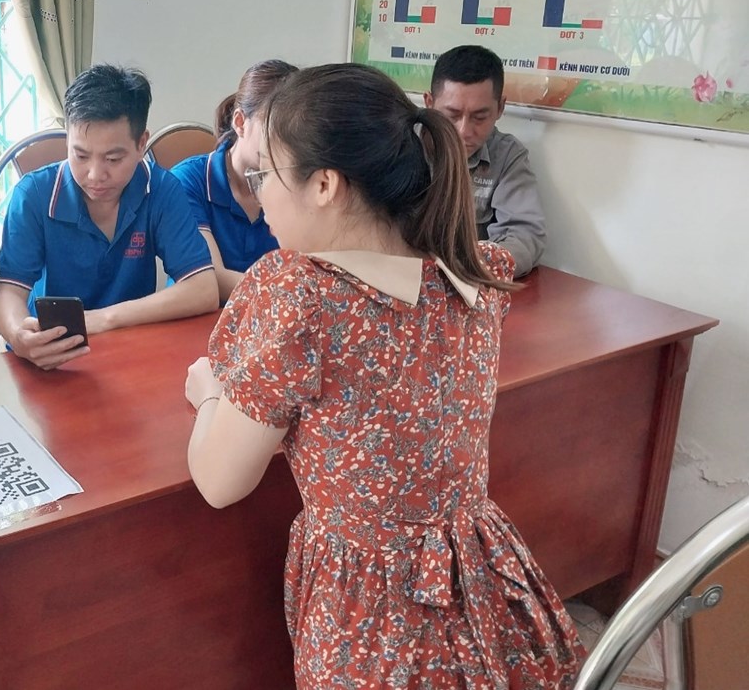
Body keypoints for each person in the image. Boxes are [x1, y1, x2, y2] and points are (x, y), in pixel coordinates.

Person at [184, 63, 584, 688]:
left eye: (266, 175)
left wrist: (210, 393)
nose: (260, 198)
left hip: (370, 619)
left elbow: (217, 482)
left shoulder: (300, 296)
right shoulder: (477, 270)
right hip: (482, 582)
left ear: (324, 184)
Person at [0, 64, 218, 370]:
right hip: (52, 358)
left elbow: (203, 289)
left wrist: (103, 319)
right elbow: (10, 292)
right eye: (80, 155)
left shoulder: (160, 189)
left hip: (132, 351)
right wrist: (18, 335)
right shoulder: (34, 195)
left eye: (113, 159)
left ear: (141, 144)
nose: (95, 175)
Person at [171, 59, 296, 302]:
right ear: (240, 122)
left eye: (295, 134)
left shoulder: (294, 182)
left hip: (271, 318)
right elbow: (209, 279)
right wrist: (291, 296)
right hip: (199, 317)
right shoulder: (188, 180)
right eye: (276, 130)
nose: (288, 146)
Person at [424, 44, 546, 277]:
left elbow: (525, 236)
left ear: (500, 108)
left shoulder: (508, 156)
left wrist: (466, 266)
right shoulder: (403, 145)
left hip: (469, 280)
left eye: (479, 117)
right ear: (429, 103)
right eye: (451, 115)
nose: (463, 131)